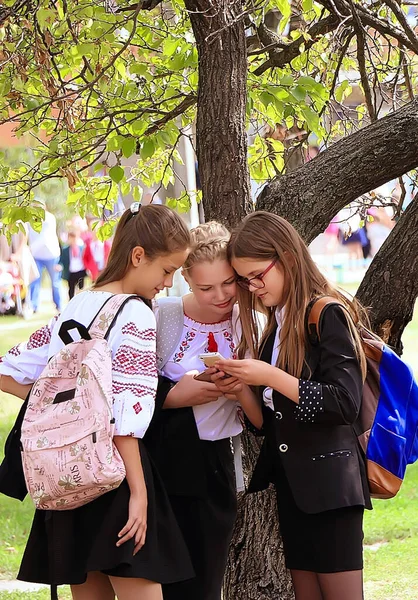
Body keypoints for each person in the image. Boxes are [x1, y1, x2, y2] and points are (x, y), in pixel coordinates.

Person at [0, 203, 194, 600]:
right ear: (138, 256)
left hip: (68, 478)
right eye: (167, 270)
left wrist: (63, 412)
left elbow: (8, 369)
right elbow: (126, 417)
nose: (169, 283)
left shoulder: (76, 305)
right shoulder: (137, 316)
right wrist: (139, 494)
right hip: (116, 475)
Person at [215, 211, 372, 600]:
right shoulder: (277, 325)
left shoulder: (327, 313)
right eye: (244, 280)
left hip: (333, 488)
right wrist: (239, 388)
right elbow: (267, 424)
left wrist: (267, 376)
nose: (252, 287)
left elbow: (343, 402)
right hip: (295, 488)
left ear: (285, 257)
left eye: (257, 275)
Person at [145, 222, 251, 600]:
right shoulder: (162, 316)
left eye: (228, 283)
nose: (221, 296)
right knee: (161, 581)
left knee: (204, 583)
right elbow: (128, 387)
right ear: (185, 279)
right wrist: (176, 394)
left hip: (213, 464)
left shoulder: (249, 321)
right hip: (159, 462)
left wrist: (240, 388)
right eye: (206, 288)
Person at [28, 206, 62, 313]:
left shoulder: (49, 218)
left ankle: (59, 305)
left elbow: (44, 238)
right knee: (34, 281)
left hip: (51, 255)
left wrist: (29, 249)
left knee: (55, 282)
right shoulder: (30, 220)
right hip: (36, 255)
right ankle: (33, 306)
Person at [59, 229, 88, 300]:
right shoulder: (65, 249)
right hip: (71, 271)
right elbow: (62, 260)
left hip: (80, 271)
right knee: (71, 288)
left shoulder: (82, 247)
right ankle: (71, 302)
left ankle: (81, 302)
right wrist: (60, 265)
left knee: (81, 288)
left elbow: (86, 258)